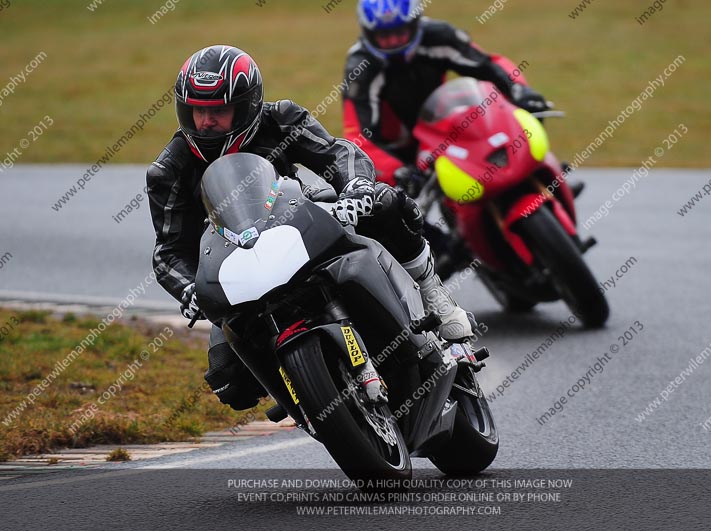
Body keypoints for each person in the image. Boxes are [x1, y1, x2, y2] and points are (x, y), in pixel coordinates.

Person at [146, 45, 474, 411]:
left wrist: (357, 187)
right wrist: (189, 287)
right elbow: (168, 251)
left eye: (218, 111)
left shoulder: (281, 118)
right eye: (197, 111)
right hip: (235, 268)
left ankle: (434, 296)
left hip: (299, 226)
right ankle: (302, 390)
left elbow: (338, 153)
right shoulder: (168, 171)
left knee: (384, 204)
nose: (205, 123)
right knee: (230, 383)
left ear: (248, 105)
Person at [342, 1, 583, 276]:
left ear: (415, 24)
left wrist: (519, 90)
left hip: (441, 122)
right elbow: (359, 135)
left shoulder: (439, 36)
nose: (394, 42)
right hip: (397, 150)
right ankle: (433, 255)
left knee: (507, 127)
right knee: (388, 207)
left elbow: (488, 65)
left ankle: (544, 177)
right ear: (367, 32)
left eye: (400, 32)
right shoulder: (360, 67)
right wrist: (395, 170)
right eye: (384, 36)